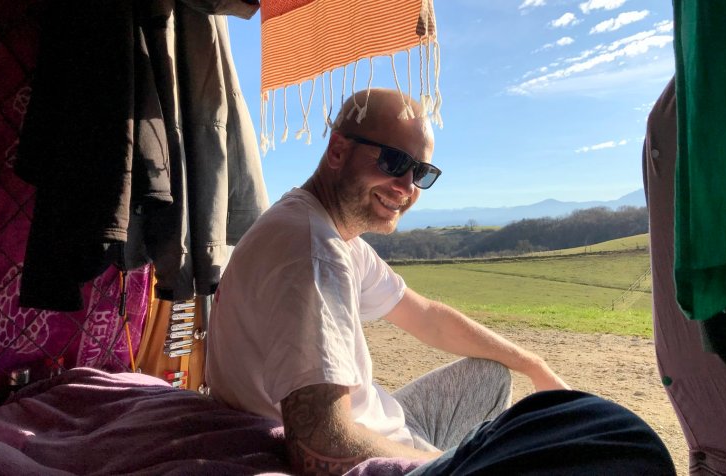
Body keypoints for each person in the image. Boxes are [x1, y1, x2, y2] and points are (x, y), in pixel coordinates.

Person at [206, 88, 675, 475]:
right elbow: (322, 446)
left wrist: (533, 364)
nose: (407, 188)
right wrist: (455, 462)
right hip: (366, 454)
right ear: (338, 150)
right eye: (394, 162)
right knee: (613, 442)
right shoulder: (312, 250)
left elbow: (427, 316)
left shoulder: (328, 232)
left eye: (421, 173)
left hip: (384, 424)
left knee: (491, 373)